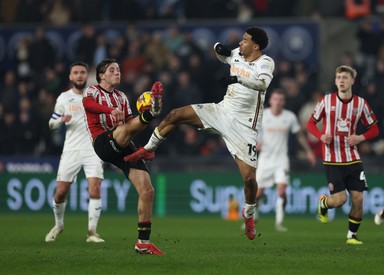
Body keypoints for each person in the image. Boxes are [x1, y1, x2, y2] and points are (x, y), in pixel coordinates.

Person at [124, 27, 275, 241]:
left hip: (245, 126)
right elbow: (221, 53)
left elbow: (262, 83)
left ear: (256, 46)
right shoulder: (237, 54)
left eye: (245, 40)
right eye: (241, 40)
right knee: (175, 115)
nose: (241, 43)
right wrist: (218, 48)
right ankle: (148, 149)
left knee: (250, 180)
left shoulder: (265, 63)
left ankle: (249, 215)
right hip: (222, 111)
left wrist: (237, 80)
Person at [82, 58, 164, 255]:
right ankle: (151, 113)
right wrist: (111, 110)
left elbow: (130, 125)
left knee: (147, 189)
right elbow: (88, 105)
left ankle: (143, 243)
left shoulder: (122, 97)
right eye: (112, 70)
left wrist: (145, 124)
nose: (117, 73)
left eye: (118, 70)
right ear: (101, 75)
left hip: (123, 141)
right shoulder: (93, 91)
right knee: (123, 130)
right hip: (102, 142)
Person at [306, 65, 379, 245]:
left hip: (353, 157)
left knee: (359, 198)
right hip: (332, 158)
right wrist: (321, 136)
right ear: (335, 81)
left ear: (352, 81)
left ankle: (351, 236)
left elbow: (374, 128)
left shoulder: (360, 104)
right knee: (340, 200)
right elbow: (310, 124)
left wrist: (360, 137)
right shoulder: (326, 101)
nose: (341, 80)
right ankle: (324, 203)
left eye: (345, 78)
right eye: (338, 77)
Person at [45, 61, 105, 243]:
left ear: (87, 76)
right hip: (71, 150)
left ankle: (92, 232)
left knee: (94, 188)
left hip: (93, 149)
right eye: (76, 73)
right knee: (60, 193)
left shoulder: (96, 96)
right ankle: (59, 224)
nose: (79, 75)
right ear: (70, 77)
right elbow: (52, 123)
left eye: (82, 72)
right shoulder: (64, 98)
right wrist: (61, 120)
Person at [255, 89, 316, 232]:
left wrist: (308, 152)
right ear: (270, 101)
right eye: (275, 99)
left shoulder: (289, 117)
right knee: (258, 194)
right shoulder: (263, 116)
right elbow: (254, 134)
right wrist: (256, 143)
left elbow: (299, 135)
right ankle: (253, 216)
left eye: (281, 99)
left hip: (281, 160)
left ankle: (279, 222)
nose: (278, 102)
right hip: (265, 160)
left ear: (284, 102)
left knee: (282, 192)